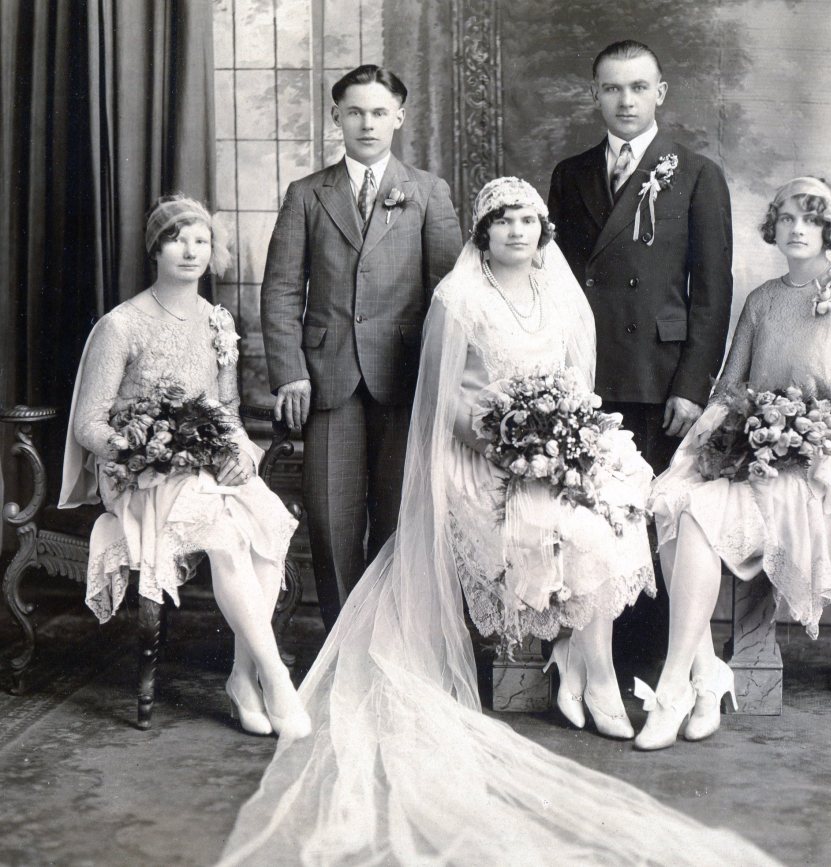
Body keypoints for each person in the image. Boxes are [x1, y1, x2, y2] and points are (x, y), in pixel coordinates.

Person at [216, 179, 779, 866]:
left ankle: (586, 664)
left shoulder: (561, 292)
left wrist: (568, 443)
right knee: (556, 525)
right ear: (482, 232)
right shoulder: (461, 300)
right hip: (479, 453)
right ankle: (585, 669)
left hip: (556, 445)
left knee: (612, 516)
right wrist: (506, 446)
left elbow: (578, 383)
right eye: (503, 220)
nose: (517, 230)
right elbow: (445, 398)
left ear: (543, 231)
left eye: (529, 220)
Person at [635, 178, 831, 751]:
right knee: (674, 500)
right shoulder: (763, 300)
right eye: (788, 218)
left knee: (696, 518)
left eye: (812, 219)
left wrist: (803, 443)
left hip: (823, 455)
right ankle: (704, 679)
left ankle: (675, 687)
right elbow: (729, 387)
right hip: (756, 441)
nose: (798, 229)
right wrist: (700, 449)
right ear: (773, 226)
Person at [59, 194, 308, 739]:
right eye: (177, 238)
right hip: (136, 474)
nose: (190, 250)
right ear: (156, 248)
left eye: (200, 240)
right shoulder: (122, 325)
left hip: (200, 468)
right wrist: (149, 452)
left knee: (264, 529)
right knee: (225, 537)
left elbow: (226, 410)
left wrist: (239, 450)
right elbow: (88, 424)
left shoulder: (218, 322)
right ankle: (277, 678)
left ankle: (242, 679)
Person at [548, 39, 733, 659]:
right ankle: (595, 650)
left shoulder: (698, 173)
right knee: (593, 511)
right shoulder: (570, 174)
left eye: (637, 87)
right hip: (587, 371)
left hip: (659, 374)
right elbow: (556, 284)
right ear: (593, 94)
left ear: (660, 92)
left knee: (653, 514)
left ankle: (650, 658)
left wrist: (691, 384)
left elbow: (711, 291)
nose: (624, 101)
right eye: (611, 88)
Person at [261, 64, 462, 631]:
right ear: (336, 118)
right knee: (330, 521)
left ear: (398, 116)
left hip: (404, 380)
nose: (367, 123)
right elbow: (279, 290)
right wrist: (289, 373)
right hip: (327, 381)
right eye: (355, 112)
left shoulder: (427, 192)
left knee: (399, 517)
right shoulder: (306, 194)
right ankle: (340, 647)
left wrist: (440, 378)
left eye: (378, 112)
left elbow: (450, 296)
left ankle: (393, 644)